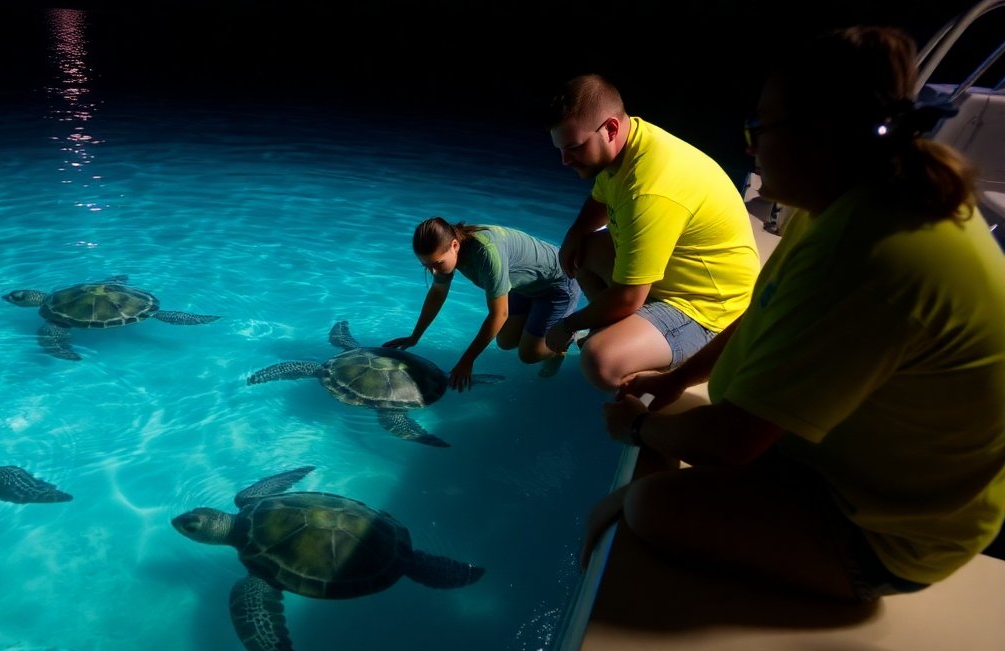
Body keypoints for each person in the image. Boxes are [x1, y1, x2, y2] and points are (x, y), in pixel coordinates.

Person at [585, 25, 1005, 601]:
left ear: (821, 136)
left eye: (759, 130)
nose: (750, 147)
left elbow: (731, 441)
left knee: (648, 508)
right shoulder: (851, 197)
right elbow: (762, 317)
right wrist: (677, 377)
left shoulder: (868, 250)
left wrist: (635, 427)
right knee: (646, 480)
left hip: (886, 532)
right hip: (839, 465)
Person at [543, 74, 760, 392]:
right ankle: (631, 334)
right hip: (675, 276)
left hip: (710, 308)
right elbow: (600, 198)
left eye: (574, 148)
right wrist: (575, 233)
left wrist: (567, 325)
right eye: (561, 149)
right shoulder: (631, 142)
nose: (564, 161)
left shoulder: (648, 189)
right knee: (581, 253)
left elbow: (629, 297)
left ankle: (680, 362)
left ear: (611, 129)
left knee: (598, 361)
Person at [385, 218, 582, 390]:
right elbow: (437, 292)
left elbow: (499, 315)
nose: (433, 271)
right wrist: (415, 336)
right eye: (426, 265)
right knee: (506, 343)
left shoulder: (486, 254)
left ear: (454, 245)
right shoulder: (447, 252)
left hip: (557, 283)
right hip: (523, 286)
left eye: (437, 263)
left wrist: (467, 361)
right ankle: (541, 329)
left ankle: (570, 334)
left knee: (528, 355)